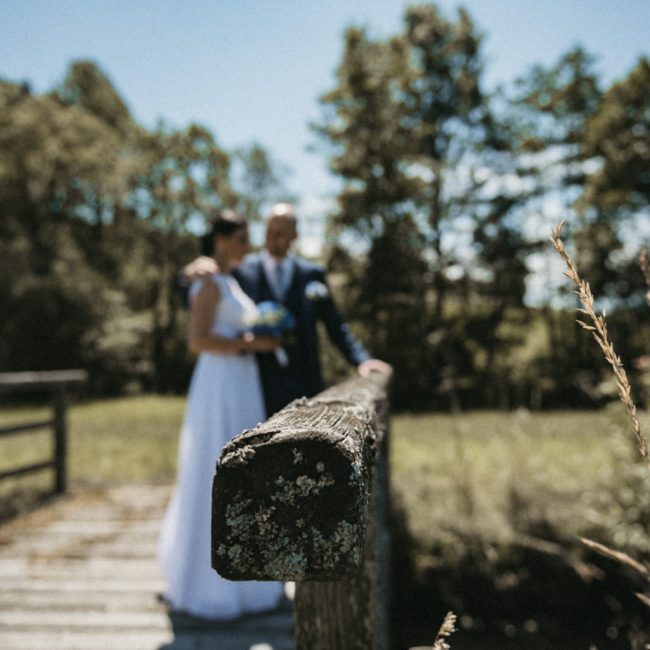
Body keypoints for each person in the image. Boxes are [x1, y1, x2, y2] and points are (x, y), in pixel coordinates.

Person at [158, 209, 284, 620]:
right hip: (220, 387)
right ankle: (205, 582)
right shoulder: (209, 281)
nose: (249, 248)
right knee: (215, 472)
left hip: (241, 385)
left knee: (247, 476)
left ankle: (248, 581)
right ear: (222, 239)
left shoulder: (229, 279)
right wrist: (253, 342)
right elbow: (198, 340)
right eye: (243, 239)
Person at [183, 202, 391, 416]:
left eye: (280, 233)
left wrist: (362, 359)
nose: (273, 238)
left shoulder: (312, 274)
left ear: (294, 235)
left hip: (305, 381)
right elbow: (202, 299)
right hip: (258, 384)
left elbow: (335, 326)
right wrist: (189, 273)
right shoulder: (241, 270)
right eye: (269, 232)